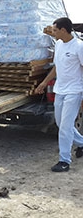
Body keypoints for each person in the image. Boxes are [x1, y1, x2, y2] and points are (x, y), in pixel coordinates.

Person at [35, 17, 83, 172]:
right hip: (60, 90)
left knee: (65, 127)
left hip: (74, 91)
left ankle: (64, 160)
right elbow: (56, 67)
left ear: (63, 30)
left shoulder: (79, 46)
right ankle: (82, 143)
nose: (53, 33)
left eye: (55, 30)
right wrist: (43, 83)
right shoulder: (59, 45)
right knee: (60, 123)